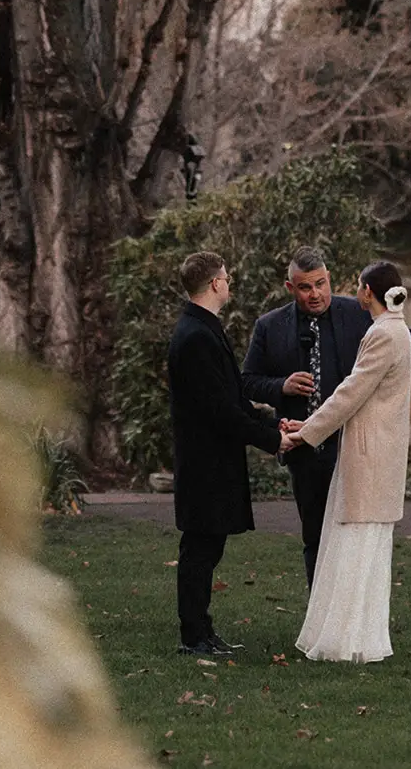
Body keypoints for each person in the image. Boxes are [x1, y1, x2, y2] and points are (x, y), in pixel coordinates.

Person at [241, 245, 411, 585]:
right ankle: (321, 622)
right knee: (315, 539)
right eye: (305, 287)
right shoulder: (269, 327)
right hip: (305, 451)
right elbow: (248, 382)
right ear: (290, 288)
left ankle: (352, 616)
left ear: (328, 279)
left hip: (354, 449)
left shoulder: (357, 312)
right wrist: (280, 386)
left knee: (352, 540)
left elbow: (410, 341)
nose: (316, 294)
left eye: (321, 284)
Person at [284, 260, 411, 663]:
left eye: (359, 286)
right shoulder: (397, 330)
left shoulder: (382, 334)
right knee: (365, 549)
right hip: (378, 454)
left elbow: (349, 393)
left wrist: (305, 433)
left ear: (367, 292)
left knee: (356, 546)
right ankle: (359, 639)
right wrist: (309, 424)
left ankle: (346, 641)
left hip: (369, 455)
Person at [167, 251, 296, 657]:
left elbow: (232, 395)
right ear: (215, 284)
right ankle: (194, 635)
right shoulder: (195, 336)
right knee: (200, 548)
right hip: (205, 462)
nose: (230, 282)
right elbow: (218, 410)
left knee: (208, 546)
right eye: (226, 277)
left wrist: (269, 422)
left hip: (213, 459)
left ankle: (202, 630)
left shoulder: (204, 329)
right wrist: (272, 441)